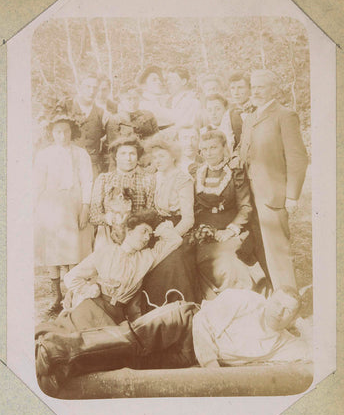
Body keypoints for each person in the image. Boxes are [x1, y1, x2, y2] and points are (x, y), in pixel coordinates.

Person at [35, 286, 310, 396]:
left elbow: (321, 354)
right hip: (183, 321)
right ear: (269, 298)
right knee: (129, 339)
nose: (279, 311)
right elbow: (203, 323)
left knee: (134, 362)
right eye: (277, 303)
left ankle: (63, 366)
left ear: (294, 318)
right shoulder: (246, 300)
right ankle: (57, 349)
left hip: (190, 356)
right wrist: (212, 366)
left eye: (288, 311)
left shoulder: (283, 343)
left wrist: (306, 323)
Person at [240, 69, 308, 290]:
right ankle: (271, 294)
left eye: (262, 86)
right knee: (258, 245)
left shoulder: (285, 115)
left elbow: (297, 158)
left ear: (274, 89)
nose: (256, 91)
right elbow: (243, 153)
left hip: (272, 195)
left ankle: (289, 299)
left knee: (278, 250)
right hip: (249, 195)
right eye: (254, 86)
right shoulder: (250, 117)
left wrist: (292, 196)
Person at [34, 113, 94, 316]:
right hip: (51, 204)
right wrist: (35, 208)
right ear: (52, 133)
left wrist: (86, 206)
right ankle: (56, 295)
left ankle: (72, 294)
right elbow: (37, 184)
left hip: (74, 203)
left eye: (66, 131)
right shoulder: (44, 155)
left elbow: (87, 181)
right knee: (54, 250)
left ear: (71, 132)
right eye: (58, 131)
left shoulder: (80, 154)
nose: (62, 135)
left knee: (74, 249)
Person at [194, 129, 266, 298]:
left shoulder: (234, 171)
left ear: (224, 147)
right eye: (204, 149)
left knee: (225, 260)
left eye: (213, 147)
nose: (208, 153)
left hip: (232, 227)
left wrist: (230, 230)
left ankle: (240, 299)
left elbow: (245, 207)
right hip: (205, 227)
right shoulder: (198, 172)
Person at [141, 134, 199, 304]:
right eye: (154, 157)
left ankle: (176, 307)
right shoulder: (156, 177)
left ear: (173, 156)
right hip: (158, 227)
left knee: (170, 262)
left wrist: (171, 237)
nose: (157, 161)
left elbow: (189, 219)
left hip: (179, 229)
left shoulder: (183, 179)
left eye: (162, 156)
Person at [89, 135, 155, 249]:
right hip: (107, 237)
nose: (128, 158)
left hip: (137, 236)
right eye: (123, 154)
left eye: (132, 154)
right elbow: (93, 216)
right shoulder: (104, 179)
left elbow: (151, 212)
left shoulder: (147, 179)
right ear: (115, 157)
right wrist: (108, 218)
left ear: (138, 156)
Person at [65, 72, 116, 178]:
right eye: (88, 87)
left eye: (95, 88)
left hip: (92, 167)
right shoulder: (67, 108)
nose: (91, 91)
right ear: (80, 87)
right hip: (68, 163)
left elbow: (112, 144)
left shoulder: (102, 113)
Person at [220, 70, 255, 152]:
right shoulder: (228, 115)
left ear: (250, 89)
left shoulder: (260, 109)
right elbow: (227, 143)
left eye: (240, 88)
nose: (236, 92)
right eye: (232, 88)